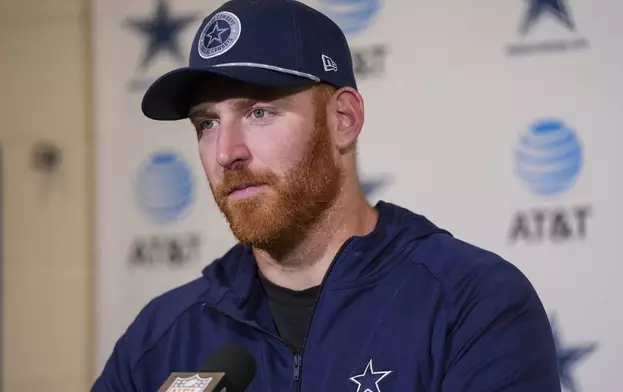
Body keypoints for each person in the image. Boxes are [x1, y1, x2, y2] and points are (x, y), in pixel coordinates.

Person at [92, 0, 561, 391]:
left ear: (343, 119)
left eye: (258, 112)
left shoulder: (473, 304)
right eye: (206, 124)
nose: (226, 152)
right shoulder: (161, 335)